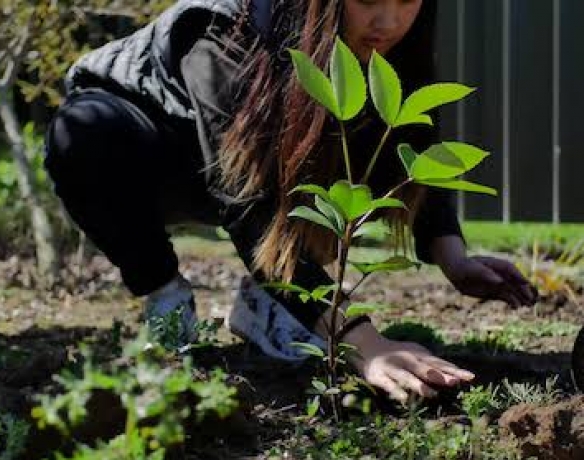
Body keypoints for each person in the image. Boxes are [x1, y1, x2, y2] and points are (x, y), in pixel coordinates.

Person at [44, 0, 538, 403]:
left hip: (254, 158)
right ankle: (167, 297)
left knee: (352, 119)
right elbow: (245, 204)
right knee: (81, 135)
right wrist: (361, 342)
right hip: (154, 150)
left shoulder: (378, 44)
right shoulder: (226, 31)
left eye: (407, 1)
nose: (388, 22)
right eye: (367, 0)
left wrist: (453, 257)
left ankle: (268, 307)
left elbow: (408, 147)